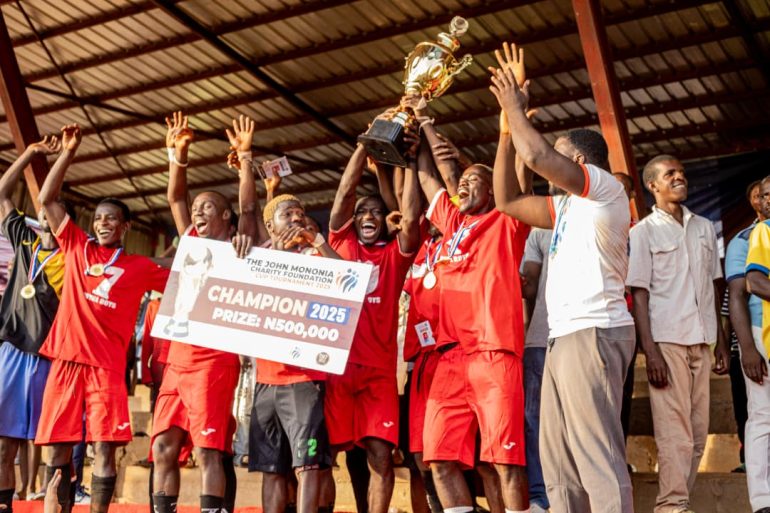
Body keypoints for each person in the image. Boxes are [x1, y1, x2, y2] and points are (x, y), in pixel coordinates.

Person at [489, 48, 636, 511]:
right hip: (562, 337)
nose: (554, 159)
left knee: (597, 456)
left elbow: (537, 155)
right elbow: (507, 201)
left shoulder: (605, 189)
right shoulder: (567, 206)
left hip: (594, 331)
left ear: (581, 161)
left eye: (563, 153)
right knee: (558, 464)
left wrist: (514, 104)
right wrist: (505, 132)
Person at [416, 43, 532, 513]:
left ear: (492, 190)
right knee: (439, 459)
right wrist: (420, 118)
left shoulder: (506, 221)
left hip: (493, 352)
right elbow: (430, 179)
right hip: (448, 359)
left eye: (473, 181)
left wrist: (512, 116)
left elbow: (519, 177)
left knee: (504, 462)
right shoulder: (452, 222)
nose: (462, 186)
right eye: (461, 183)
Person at [34, 124, 170, 513]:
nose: (103, 223)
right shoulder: (77, 245)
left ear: (125, 226)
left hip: (107, 368)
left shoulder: (139, 266)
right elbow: (46, 198)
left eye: (111, 219)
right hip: (66, 359)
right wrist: (68, 153)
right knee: (58, 447)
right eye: (98, 218)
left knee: (105, 446)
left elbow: (184, 270)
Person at [151, 112, 253, 513]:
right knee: (163, 446)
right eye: (197, 207)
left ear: (225, 217)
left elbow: (248, 209)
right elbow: (176, 198)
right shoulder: (191, 240)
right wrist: (178, 155)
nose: (197, 211)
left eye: (207, 206)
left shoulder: (239, 246)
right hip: (177, 359)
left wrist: (245, 161)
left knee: (209, 449)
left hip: (214, 359)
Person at [323, 106, 422, 513]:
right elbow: (344, 194)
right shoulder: (341, 243)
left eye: (377, 213)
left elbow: (412, 219)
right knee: (328, 457)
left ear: (386, 221)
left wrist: (410, 162)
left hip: (378, 374)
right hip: (337, 369)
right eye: (363, 212)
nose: (368, 216)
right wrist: (366, 143)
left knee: (381, 456)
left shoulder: (394, 257)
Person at [626, 155, 729, 513]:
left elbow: (713, 285)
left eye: (682, 173)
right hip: (667, 340)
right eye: (670, 174)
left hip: (702, 339)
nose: (679, 177)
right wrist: (650, 350)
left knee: (698, 435)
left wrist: (720, 341)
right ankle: (672, 505)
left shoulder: (704, 227)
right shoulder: (643, 232)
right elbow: (639, 294)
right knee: (675, 433)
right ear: (652, 185)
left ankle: (676, 503)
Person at [0, 135, 64, 513]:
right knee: (4, 442)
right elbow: (3, 193)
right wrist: (29, 153)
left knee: (49, 438)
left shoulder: (73, 258)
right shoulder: (25, 243)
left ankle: (47, 498)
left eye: (52, 211)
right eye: (41, 212)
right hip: (11, 349)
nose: (45, 217)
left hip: (48, 356)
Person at [725, 180, 764, 474]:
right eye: (760, 195)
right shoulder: (744, 239)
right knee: (759, 413)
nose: (765, 200)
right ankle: (759, 486)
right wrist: (745, 349)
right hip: (757, 335)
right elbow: (736, 296)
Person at [518, 226, 552, 513]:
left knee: (536, 420)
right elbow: (528, 286)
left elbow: (528, 285)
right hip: (541, 335)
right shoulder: (539, 231)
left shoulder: (540, 230)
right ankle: (541, 495)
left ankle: (543, 496)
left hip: (555, 335)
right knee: (533, 419)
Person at [743, 175, 770, 513]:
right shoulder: (764, 231)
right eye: (765, 195)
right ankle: (763, 500)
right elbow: (754, 281)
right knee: (763, 416)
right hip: (765, 335)